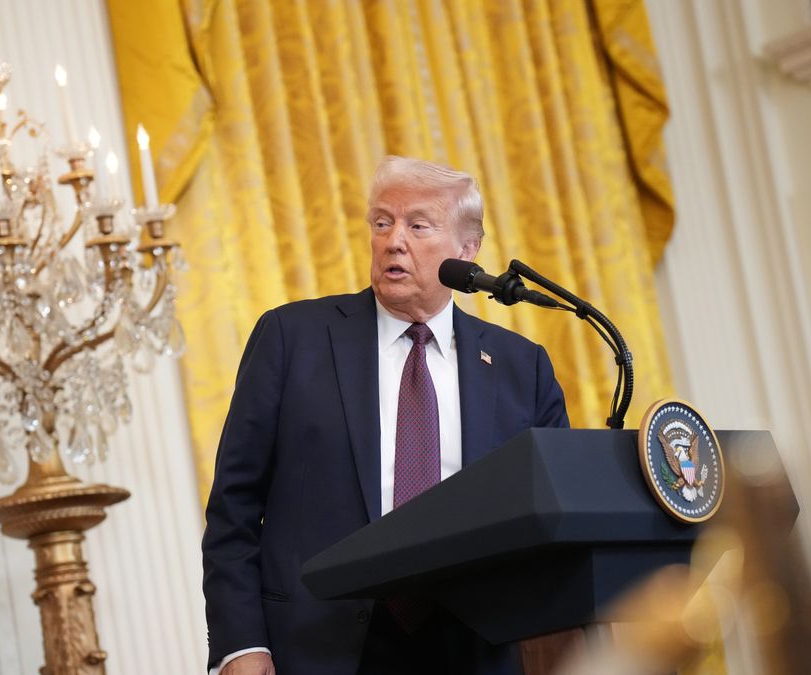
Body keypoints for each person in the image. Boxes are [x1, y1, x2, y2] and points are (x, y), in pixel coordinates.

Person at [202, 156, 569, 675]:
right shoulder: (292, 338)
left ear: (467, 251)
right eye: (382, 223)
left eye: (418, 226)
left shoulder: (521, 368)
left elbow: (550, 526)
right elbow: (233, 509)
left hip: (475, 650)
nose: (394, 240)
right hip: (319, 647)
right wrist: (240, 644)